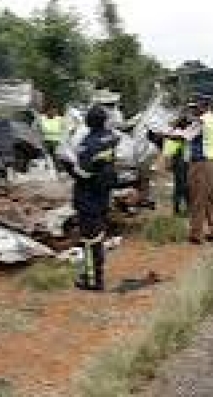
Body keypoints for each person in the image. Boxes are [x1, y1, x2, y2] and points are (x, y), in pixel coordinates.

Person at [63, 105, 118, 291]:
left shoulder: (88, 144)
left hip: (88, 195)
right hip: (103, 194)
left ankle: (93, 280)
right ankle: (94, 274)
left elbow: (84, 174)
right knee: (98, 235)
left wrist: (68, 166)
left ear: (88, 122)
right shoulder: (110, 137)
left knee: (89, 239)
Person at [170, 94, 213, 245]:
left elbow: (184, 136)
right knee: (210, 197)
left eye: (195, 107)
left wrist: (165, 134)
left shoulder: (201, 121)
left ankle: (196, 234)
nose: (192, 110)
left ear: (203, 106)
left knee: (197, 198)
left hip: (202, 163)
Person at [163, 115, 191, 216]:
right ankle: (184, 208)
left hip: (181, 161)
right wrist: (168, 161)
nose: (188, 125)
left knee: (179, 185)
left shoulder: (176, 132)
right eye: (186, 123)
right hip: (180, 161)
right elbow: (169, 149)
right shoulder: (178, 133)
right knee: (184, 185)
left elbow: (167, 150)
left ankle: (178, 209)